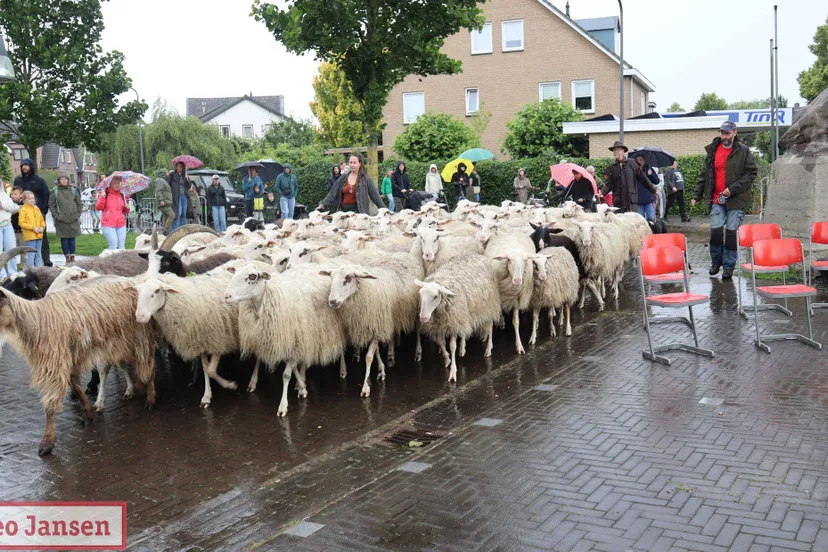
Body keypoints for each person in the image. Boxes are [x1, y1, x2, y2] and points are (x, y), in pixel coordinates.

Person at [693, 121, 757, 280]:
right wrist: (697, 195)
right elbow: (704, 175)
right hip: (716, 199)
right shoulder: (713, 150)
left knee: (731, 235)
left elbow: (751, 173)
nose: (724, 136)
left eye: (727, 133)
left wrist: (732, 189)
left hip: (736, 200)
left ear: (734, 133)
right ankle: (716, 262)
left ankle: (728, 267)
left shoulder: (743, 151)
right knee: (715, 232)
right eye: (722, 133)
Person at [14, 158, 52, 266]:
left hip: (38, 212)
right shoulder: (18, 180)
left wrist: (43, 210)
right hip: (24, 212)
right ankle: (28, 264)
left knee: (42, 236)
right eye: (22, 165)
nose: (24, 167)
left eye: (26, 165)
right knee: (27, 237)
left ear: (31, 166)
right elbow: (15, 193)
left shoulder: (39, 180)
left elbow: (46, 194)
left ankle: (46, 259)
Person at [318, 153, 385, 214]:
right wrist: (322, 205)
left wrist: (385, 211)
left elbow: (375, 196)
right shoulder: (343, 177)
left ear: (360, 164)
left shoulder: (366, 179)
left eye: (354, 163)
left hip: (359, 214)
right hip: (344, 213)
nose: (352, 165)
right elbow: (332, 193)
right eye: (350, 162)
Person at [601, 141, 656, 214]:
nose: (616, 152)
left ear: (623, 151)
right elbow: (608, 184)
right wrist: (602, 193)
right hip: (618, 203)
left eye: (619, 149)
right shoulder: (612, 168)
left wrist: (652, 189)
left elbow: (643, 178)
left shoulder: (632, 163)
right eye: (615, 150)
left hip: (631, 202)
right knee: (619, 220)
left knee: (632, 220)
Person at [48, 175, 82, 264]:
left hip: (73, 218)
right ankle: (67, 257)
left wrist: (77, 214)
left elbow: (79, 203)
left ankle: (73, 257)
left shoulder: (73, 190)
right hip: (61, 220)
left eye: (65, 179)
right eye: (62, 179)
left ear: (68, 180)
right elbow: (51, 205)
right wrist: (56, 216)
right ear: (59, 181)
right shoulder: (55, 191)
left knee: (72, 239)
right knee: (64, 239)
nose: (64, 181)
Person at [96, 176, 130, 250]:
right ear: (110, 184)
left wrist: (127, 207)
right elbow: (98, 207)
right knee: (113, 245)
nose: (117, 185)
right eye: (115, 183)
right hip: (108, 224)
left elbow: (125, 211)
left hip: (121, 224)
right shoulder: (105, 194)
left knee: (121, 247)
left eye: (118, 183)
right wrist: (102, 197)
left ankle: (120, 258)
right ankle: (108, 258)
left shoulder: (122, 195)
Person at [18, 191, 46, 267]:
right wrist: (33, 228)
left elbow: (42, 220)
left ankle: (39, 269)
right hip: (30, 236)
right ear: (24, 200)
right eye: (29, 198)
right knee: (31, 254)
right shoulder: (23, 210)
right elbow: (21, 223)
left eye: (33, 198)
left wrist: (42, 227)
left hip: (39, 234)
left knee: (38, 253)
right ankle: (31, 269)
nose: (32, 200)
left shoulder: (37, 209)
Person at [0, 182, 21, 277]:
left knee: (12, 249)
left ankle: (13, 273)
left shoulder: (4, 195)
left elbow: (13, 208)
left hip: (7, 224)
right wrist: (7, 207)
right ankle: (2, 275)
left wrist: (3, 205)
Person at [633, 155, 660, 222]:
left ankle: (650, 228)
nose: (639, 161)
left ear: (644, 160)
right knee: (641, 220)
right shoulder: (633, 170)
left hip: (649, 199)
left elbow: (657, 181)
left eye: (641, 159)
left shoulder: (649, 168)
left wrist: (651, 174)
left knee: (651, 217)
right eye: (637, 160)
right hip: (638, 199)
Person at [168, 162, 189, 230]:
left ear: (182, 168)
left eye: (180, 167)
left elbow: (189, 186)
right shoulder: (172, 175)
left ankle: (182, 229)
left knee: (183, 213)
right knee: (177, 213)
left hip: (184, 196)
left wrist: (187, 179)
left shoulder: (184, 175)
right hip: (176, 196)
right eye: (177, 166)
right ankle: (174, 230)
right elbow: (168, 185)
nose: (178, 168)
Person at [154, 168, 175, 233]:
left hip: (166, 202)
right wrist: (161, 200)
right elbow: (158, 191)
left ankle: (164, 232)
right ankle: (166, 230)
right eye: (167, 172)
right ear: (164, 174)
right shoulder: (161, 181)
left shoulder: (163, 180)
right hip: (164, 202)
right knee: (172, 215)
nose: (168, 173)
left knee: (165, 217)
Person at [9, 186, 26, 269]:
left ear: (21, 195)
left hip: (22, 231)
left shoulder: (24, 204)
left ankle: (23, 265)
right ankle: (12, 265)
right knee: (13, 249)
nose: (13, 196)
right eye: (12, 194)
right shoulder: (10, 204)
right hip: (13, 231)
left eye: (15, 194)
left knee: (23, 249)